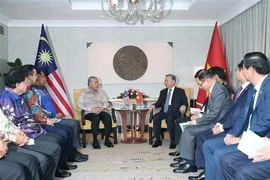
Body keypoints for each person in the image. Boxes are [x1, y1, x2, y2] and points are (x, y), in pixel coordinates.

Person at [203, 52, 270, 180]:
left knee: (225, 158)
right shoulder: (254, 88)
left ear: (251, 70)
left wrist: (243, 139)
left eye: (244, 68)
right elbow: (243, 116)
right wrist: (232, 133)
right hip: (250, 137)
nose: (242, 71)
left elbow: (265, 121)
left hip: (260, 140)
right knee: (225, 159)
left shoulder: (268, 87)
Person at [0, 67, 71, 178]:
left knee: (58, 138)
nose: (27, 85)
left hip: (28, 131)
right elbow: (14, 121)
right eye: (25, 82)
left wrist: (38, 127)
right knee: (53, 145)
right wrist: (20, 135)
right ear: (17, 84)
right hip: (20, 137)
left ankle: (53, 172)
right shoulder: (5, 99)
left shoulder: (18, 96)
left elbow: (20, 119)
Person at [188, 60, 252, 180]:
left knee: (208, 143)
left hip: (238, 131)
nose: (236, 72)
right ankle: (206, 172)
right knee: (205, 140)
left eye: (238, 70)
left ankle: (204, 170)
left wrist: (225, 128)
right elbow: (230, 113)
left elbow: (240, 116)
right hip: (227, 125)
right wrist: (220, 124)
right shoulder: (241, 89)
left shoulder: (250, 90)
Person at [171, 70, 232, 173]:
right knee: (186, 128)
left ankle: (190, 164)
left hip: (216, 124)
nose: (200, 87)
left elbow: (214, 114)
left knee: (189, 130)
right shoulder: (215, 89)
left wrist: (196, 122)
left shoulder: (219, 90)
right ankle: (185, 159)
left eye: (200, 84)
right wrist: (200, 115)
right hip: (212, 120)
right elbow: (212, 111)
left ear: (207, 80)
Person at [22, 65, 87, 161]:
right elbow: (36, 111)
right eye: (43, 77)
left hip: (47, 118)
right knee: (70, 127)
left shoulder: (40, 90)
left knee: (74, 123)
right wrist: (52, 116)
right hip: (43, 121)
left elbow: (38, 109)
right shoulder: (32, 92)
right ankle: (71, 154)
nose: (46, 79)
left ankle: (73, 151)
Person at [149, 74, 188, 149]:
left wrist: (184, 106)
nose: (165, 82)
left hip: (175, 111)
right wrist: (154, 105)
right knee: (156, 117)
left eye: (167, 81)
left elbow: (185, 102)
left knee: (169, 119)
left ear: (173, 82)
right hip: (164, 110)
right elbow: (159, 102)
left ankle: (173, 139)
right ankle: (158, 139)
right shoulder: (163, 92)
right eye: (165, 81)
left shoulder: (180, 91)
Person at [78, 76, 114, 149]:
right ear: (90, 84)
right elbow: (79, 104)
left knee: (107, 116)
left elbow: (106, 102)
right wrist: (90, 109)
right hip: (89, 112)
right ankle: (95, 140)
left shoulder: (101, 92)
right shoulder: (84, 92)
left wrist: (102, 107)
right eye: (96, 83)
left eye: (98, 83)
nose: (97, 84)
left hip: (100, 110)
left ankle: (107, 139)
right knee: (95, 117)